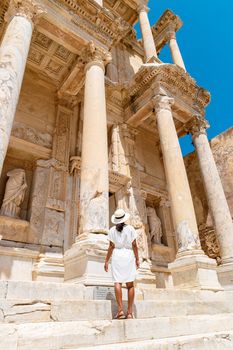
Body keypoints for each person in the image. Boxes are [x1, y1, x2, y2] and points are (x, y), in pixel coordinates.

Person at [104, 208, 140, 319]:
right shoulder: (130, 229)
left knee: (117, 282)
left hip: (117, 256)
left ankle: (120, 310)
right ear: (124, 218)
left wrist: (106, 261)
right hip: (128, 256)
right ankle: (129, 312)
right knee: (130, 285)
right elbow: (134, 245)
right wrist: (137, 258)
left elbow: (111, 247)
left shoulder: (111, 230)